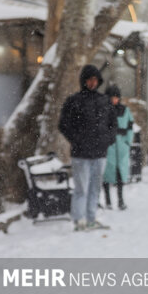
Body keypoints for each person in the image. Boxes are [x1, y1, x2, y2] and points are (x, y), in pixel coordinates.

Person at [58, 64, 117, 231]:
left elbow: (113, 124)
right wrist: (77, 140)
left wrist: (108, 140)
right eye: (89, 80)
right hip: (81, 153)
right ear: (83, 81)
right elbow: (64, 125)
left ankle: (91, 218)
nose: (92, 83)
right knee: (81, 188)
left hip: (100, 153)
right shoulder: (73, 101)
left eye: (95, 80)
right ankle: (79, 220)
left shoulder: (104, 101)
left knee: (95, 188)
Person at [102, 85, 134, 211]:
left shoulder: (125, 110)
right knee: (107, 174)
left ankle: (121, 200)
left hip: (121, 146)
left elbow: (130, 127)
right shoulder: (103, 110)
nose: (114, 100)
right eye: (111, 98)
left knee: (120, 173)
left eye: (116, 98)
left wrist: (127, 142)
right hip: (108, 146)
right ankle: (108, 201)